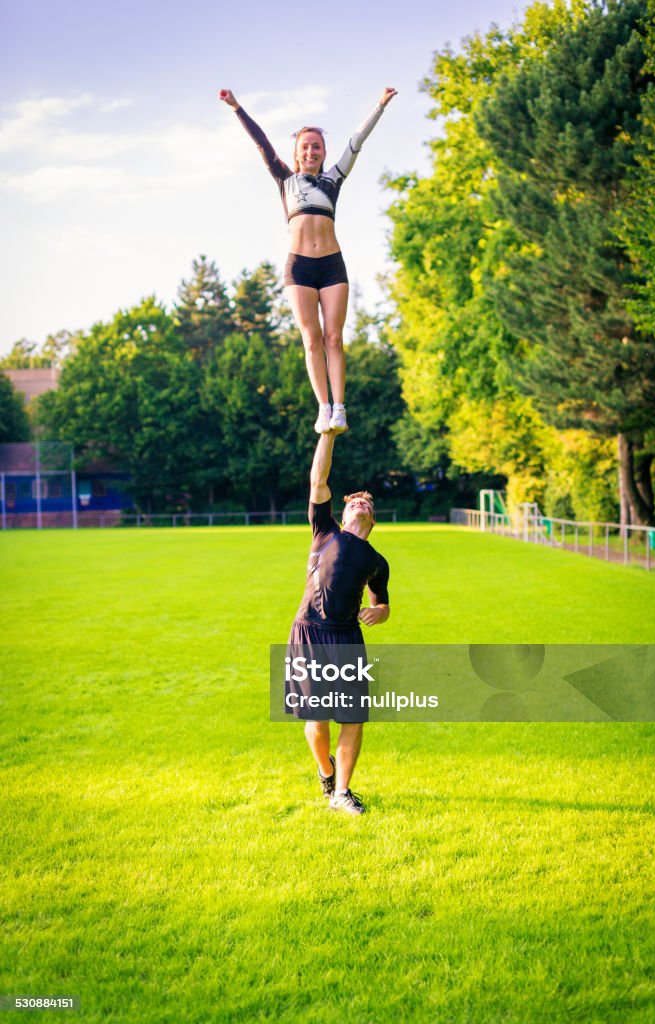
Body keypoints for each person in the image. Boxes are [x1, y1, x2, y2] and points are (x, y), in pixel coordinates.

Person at [219, 86, 397, 434]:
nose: (311, 151)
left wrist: (379, 106)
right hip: (299, 268)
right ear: (297, 153)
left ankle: (340, 408)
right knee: (312, 339)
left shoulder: (333, 179)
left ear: (324, 151)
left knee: (334, 338)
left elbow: (356, 142)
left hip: (332, 267)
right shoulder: (285, 180)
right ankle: (323, 407)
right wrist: (237, 108)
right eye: (305, 147)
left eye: (317, 146)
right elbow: (262, 144)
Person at [285, 427, 390, 815]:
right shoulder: (325, 531)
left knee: (353, 717)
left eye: (366, 503)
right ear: (343, 514)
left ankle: (342, 793)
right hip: (309, 631)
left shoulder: (377, 562)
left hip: (347, 637)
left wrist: (380, 611)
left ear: (372, 518)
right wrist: (328, 434)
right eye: (354, 502)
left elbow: (383, 603)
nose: (360, 503)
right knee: (317, 718)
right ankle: (326, 770)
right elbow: (319, 479)